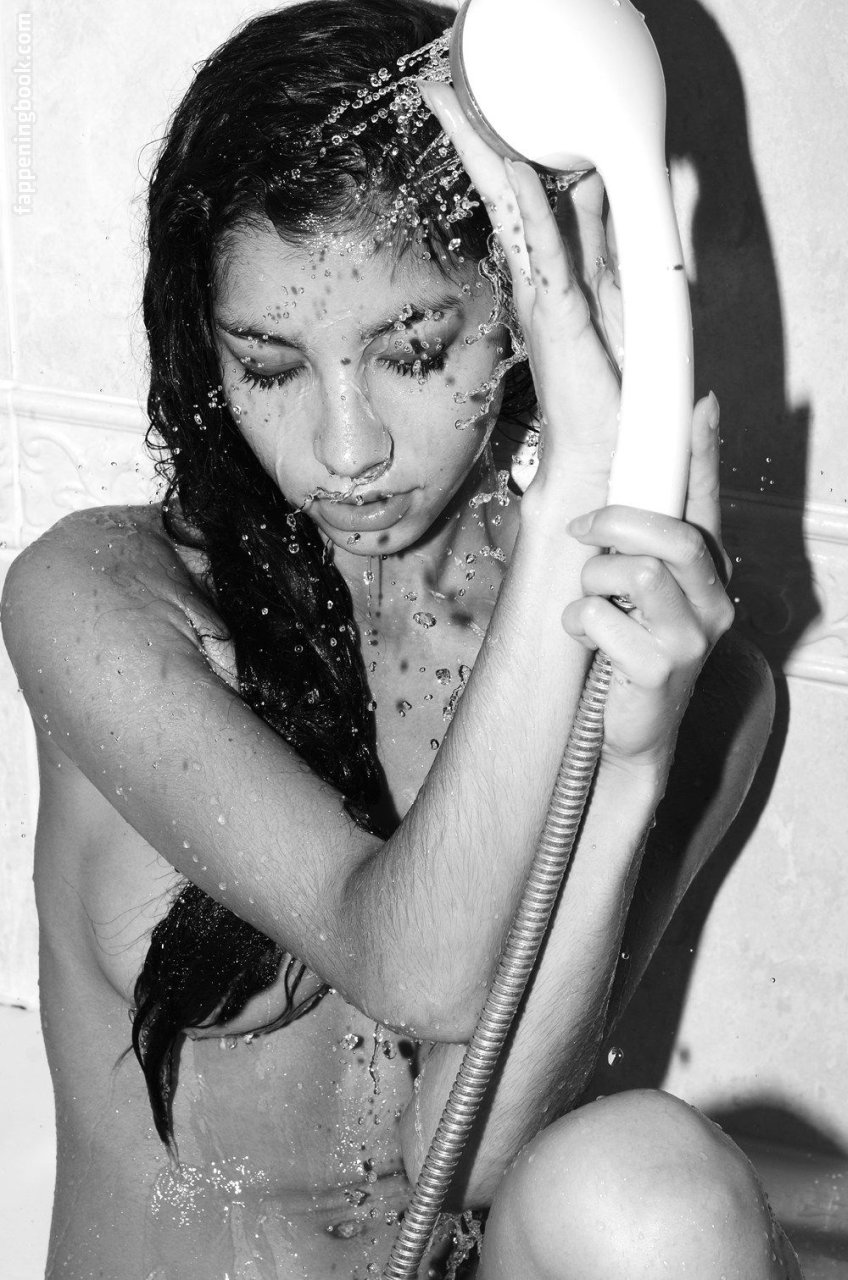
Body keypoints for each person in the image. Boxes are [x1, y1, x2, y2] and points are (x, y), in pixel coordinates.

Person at [1, 1, 802, 1277]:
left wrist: (629, 762)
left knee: (646, 1183)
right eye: (270, 366)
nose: (346, 447)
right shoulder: (99, 597)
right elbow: (410, 962)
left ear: (525, 314)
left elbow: (462, 1156)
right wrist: (576, 479)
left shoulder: (681, 673)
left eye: (413, 350)